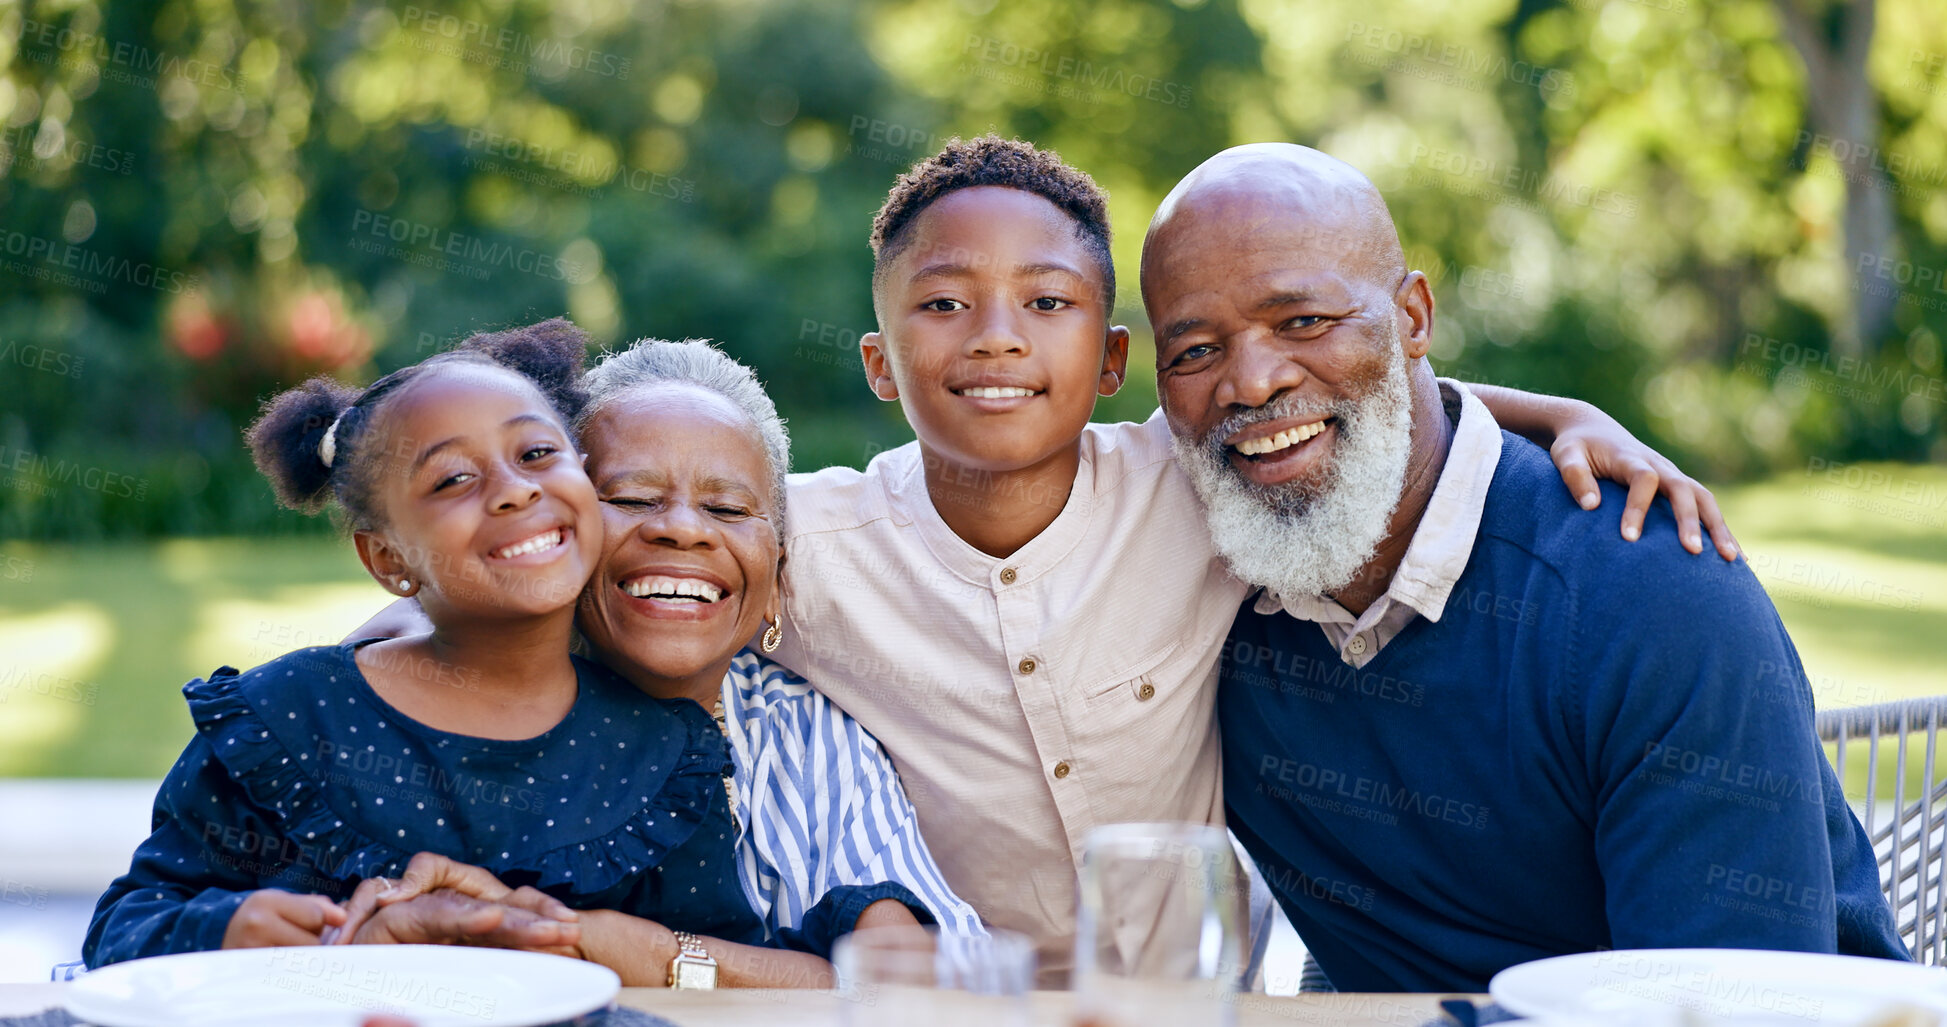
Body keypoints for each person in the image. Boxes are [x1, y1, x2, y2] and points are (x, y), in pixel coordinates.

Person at [765, 135, 1740, 983]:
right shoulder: (801, 549)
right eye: (942, 304)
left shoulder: (1188, 487)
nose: (997, 338)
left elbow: (1332, 407)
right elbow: (666, 518)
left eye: (1046, 299)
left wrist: (1561, 414)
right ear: (879, 362)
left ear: (1112, 363)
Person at [1138, 142, 1907, 992]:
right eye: (1195, 351)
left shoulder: (1652, 599)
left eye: (1303, 321)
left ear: (1413, 319)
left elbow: (1736, 1009)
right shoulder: (1189, 563)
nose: (1249, 382)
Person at [84, 320, 924, 984]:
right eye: (452, 479)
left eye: (536, 454)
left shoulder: (661, 757)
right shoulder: (290, 716)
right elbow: (128, 925)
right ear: (387, 559)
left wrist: (868, 920)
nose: (515, 488)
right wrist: (233, 932)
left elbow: (705, 969)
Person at [339, 337, 985, 985]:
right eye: (631, 498)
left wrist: (647, 953)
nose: (682, 528)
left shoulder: (806, 732)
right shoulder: (428, 711)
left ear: (776, 584)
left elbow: (945, 979)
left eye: (727, 508)